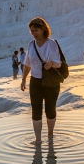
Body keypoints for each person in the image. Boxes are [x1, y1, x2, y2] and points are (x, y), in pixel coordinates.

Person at [20, 17, 62, 145]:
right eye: (31, 31)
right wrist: (23, 79)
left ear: (43, 29)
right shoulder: (31, 44)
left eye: (36, 30)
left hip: (51, 82)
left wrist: (51, 63)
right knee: (36, 110)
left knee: (50, 109)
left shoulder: (52, 44)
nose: (33, 33)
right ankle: (38, 139)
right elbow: (27, 64)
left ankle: (50, 133)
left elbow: (59, 64)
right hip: (36, 81)